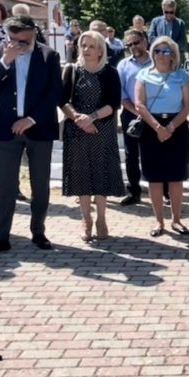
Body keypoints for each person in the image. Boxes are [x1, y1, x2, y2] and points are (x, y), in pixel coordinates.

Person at [0, 15, 62, 257]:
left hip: (39, 128)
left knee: (40, 184)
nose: (17, 45)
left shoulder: (48, 55)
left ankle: (38, 231)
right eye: (12, 39)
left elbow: (54, 92)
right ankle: (1, 237)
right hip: (6, 129)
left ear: (34, 34)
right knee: (5, 186)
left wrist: (31, 119)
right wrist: (6, 60)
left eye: (23, 41)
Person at [59, 30, 125, 241]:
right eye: (83, 45)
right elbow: (62, 100)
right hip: (76, 130)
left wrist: (92, 118)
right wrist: (79, 118)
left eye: (92, 46)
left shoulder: (110, 73)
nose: (86, 50)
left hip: (102, 130)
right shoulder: (71, 70)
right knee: (81, 176)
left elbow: (114, 104)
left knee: (101, 173)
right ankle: (86, 220)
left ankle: (102, 219)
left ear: (100, 50)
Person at [135, 36, 189, 237]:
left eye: (166, 51)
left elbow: (188, 106)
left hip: (176, 126)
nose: (161, 55)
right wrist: (158, 127)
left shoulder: (182, 76)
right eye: (157, 51)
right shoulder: (143, 75)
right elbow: (139, 104)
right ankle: (159, 221)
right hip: (152, 127)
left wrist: (169, 127)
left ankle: (176, 220)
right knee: (155, 178)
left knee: (176, 176)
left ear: (173, 55)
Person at [116, 29, 151, 206]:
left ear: (145, 41)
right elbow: (121, 94)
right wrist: (138, 111)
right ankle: (134, 191)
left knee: (155, 154)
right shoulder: (123, 65)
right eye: (129, 45)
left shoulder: (157, 62)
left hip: (155, 115)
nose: (133, 47)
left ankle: (164, 191)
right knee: (131, 155)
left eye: (136, 42)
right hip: (131, 114)